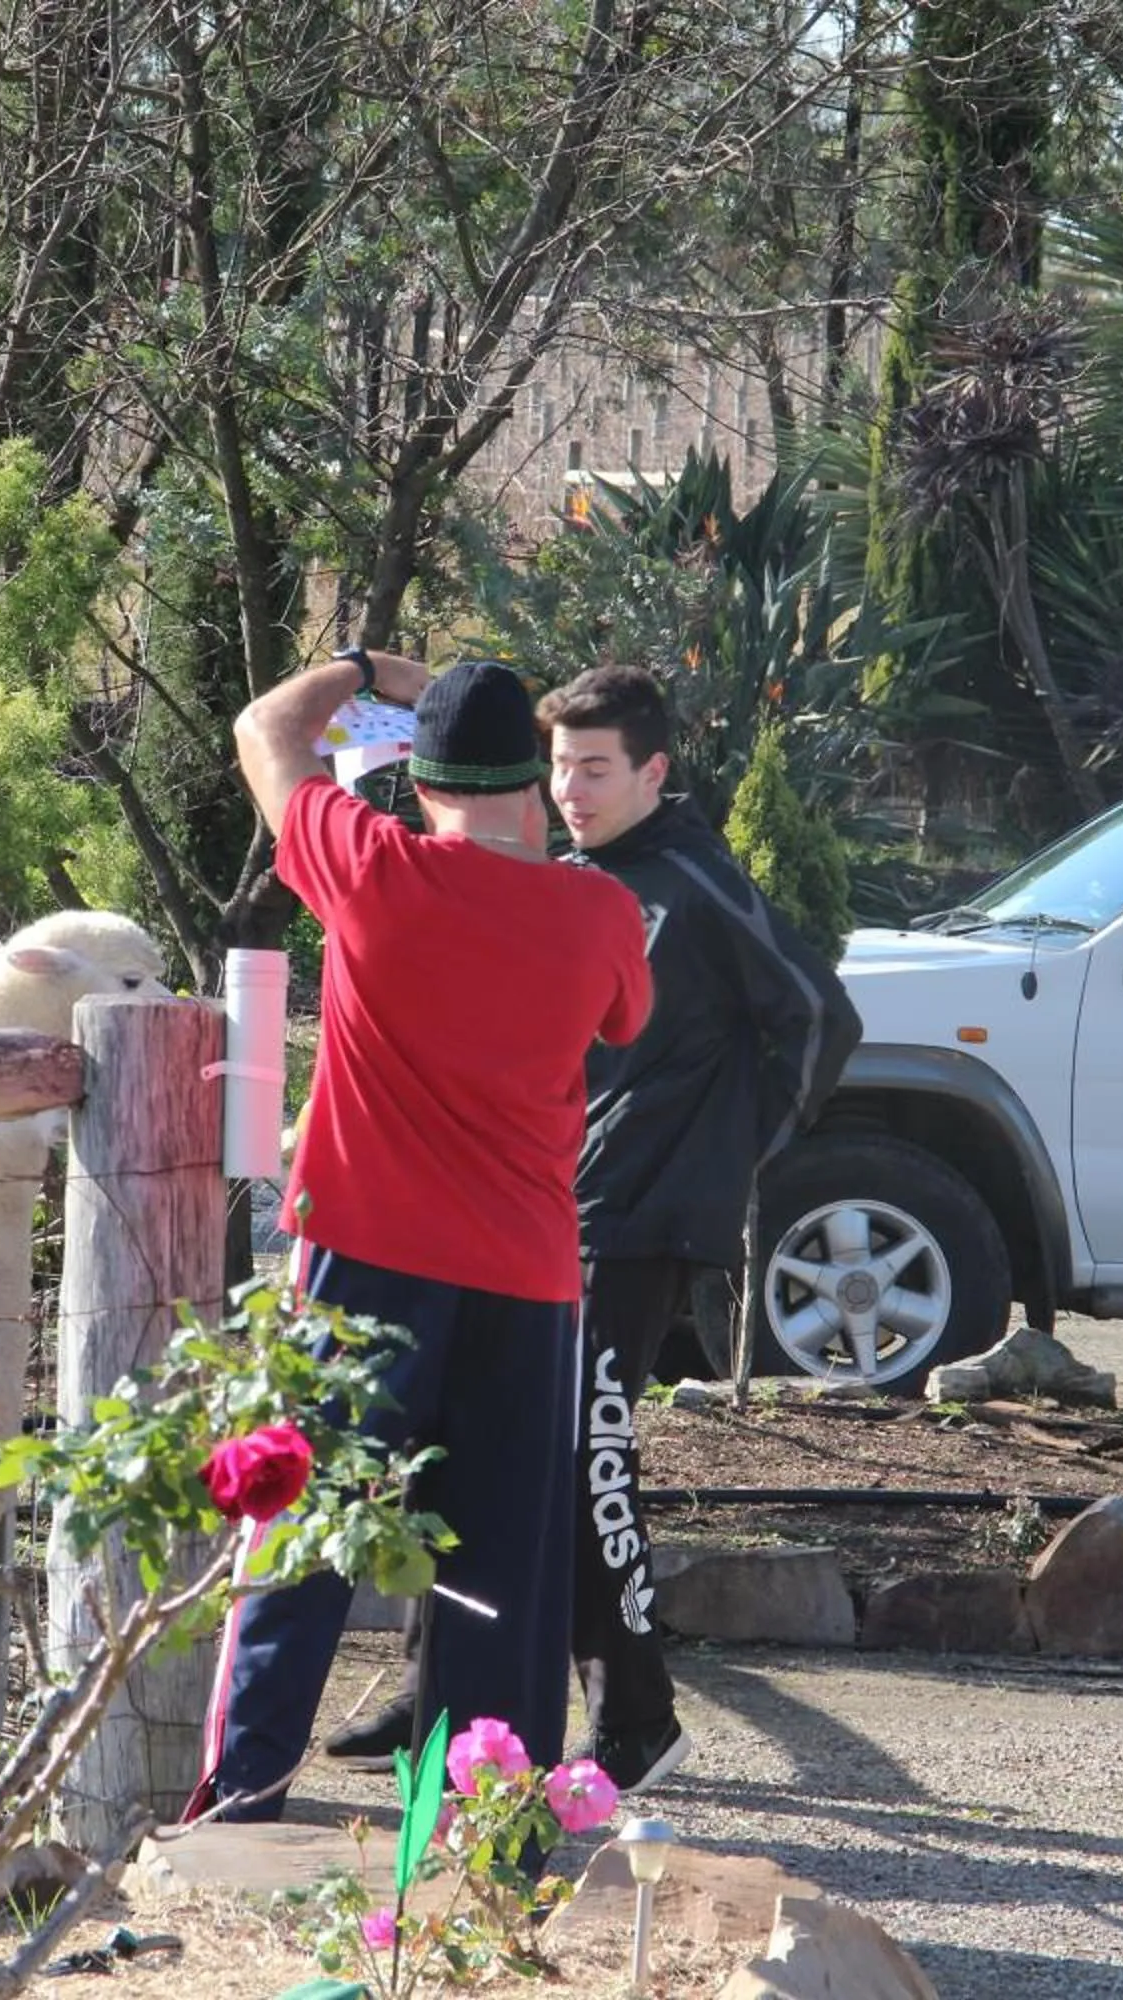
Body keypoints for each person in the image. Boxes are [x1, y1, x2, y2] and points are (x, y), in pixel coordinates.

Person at [319, 666, 859, 1793]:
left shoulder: (693, 881)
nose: (570, 787)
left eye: (596, 767)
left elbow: (819, 1014)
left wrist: (723, 1160)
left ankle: (636, 1721)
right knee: (466, 1458)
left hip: (639, 1222)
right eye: (558, 764)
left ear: (654, 771)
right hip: (548, 1211)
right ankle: (434, 1691)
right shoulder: (571, 878)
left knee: (590, 1466)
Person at [189, 646, 653, 1822]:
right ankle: (498, 1831)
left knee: (305, 1532)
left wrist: (358, 668)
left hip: (364, 1256)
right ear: (537, 784)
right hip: (528, 1278)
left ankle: (244, 1796)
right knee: (504, 1571)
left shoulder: (371, 868)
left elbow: (263, 728)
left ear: (420, 779)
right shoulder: (602, 912)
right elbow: (624, 1014)